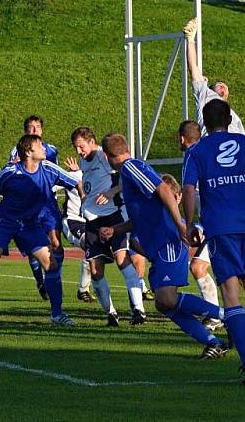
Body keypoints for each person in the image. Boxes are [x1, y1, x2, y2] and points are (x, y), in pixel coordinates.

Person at [100, 133, 229, 359]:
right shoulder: (129, 175)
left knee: (167, 299)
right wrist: (116, 230)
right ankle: (213, 342)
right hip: (158, 247)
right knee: (163, 305)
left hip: (168, 243)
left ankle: (228, 315)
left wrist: (181, 226)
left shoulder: (131, 167)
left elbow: (164, 190)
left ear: (107, 156)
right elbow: (141, 218)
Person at [182, 99, 245, 384]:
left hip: (220, 229)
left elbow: (189, 188)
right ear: (229, 119)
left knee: (230, 295)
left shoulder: (197, 151)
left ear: (204, 123)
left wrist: (189, 224)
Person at [0, 134, 79, 326]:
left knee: (51, 264)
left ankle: (57, 315)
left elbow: (76, 182)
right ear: (28, 152)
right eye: (39, 145)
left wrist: (85, 202)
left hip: (29, 224)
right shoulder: (9, 172)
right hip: (5, 221)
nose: (44, 148)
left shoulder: (49, 169)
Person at [179, 119, 245, 331]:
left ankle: (219, 316)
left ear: (182, 138)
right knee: (242, 274)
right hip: (227, 224)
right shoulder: (211, 153)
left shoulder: (199, 157)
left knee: (201, 267)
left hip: (224, 226)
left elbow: (194, 192)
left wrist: (189, 225)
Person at [72, 126, 146, 326]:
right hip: (92, 221)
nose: (79, 151)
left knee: (122, 259)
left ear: (92, 141)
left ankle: (139, 310)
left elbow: (127, 176)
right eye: (76, 148)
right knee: (95, 270)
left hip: (114, 216)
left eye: (81, 146)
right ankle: (111, 314)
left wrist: (112, 192)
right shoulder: (83, 161)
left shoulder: (105, 157)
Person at [8, 115, 62, 302]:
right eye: (30, 128)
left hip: (48, 202)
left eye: (37, 127)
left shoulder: (51, 150)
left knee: (55, 243)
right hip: (29, 205)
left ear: (42, 130)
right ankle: (41, 281)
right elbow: (11, 171)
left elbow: (57, 173)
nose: (34, 131)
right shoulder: (17, 150)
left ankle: (53, 280)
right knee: (34, 247)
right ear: (25, 131)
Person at [183, 18, 245, 135]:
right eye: (220, 85)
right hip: (212, 147)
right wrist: (190, 40)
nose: (223, 87)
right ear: (211, 89)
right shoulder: (205, 95)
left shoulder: (234, 116)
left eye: (225, 88)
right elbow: (193, 69)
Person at [62, 156, 95, 303]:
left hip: (91, 222)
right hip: (73, 221)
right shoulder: (73, 176)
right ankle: (83, 290)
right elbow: (51, 184)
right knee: (90, 244)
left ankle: (84, 290)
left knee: (97, 249)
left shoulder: (99, 177)